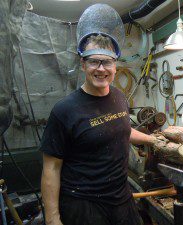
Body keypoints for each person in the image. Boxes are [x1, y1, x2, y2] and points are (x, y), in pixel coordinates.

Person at [40, 7, 160, 224]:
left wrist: (154, 140)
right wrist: (52, 219)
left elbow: (122, 129)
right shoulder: (64, 110)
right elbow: (51, 168)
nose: (101, 68)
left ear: (115, 65)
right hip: (84, 203)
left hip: (120, 196)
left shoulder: (119, 97)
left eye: (107, 62)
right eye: (94, 61)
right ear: (83, 64)